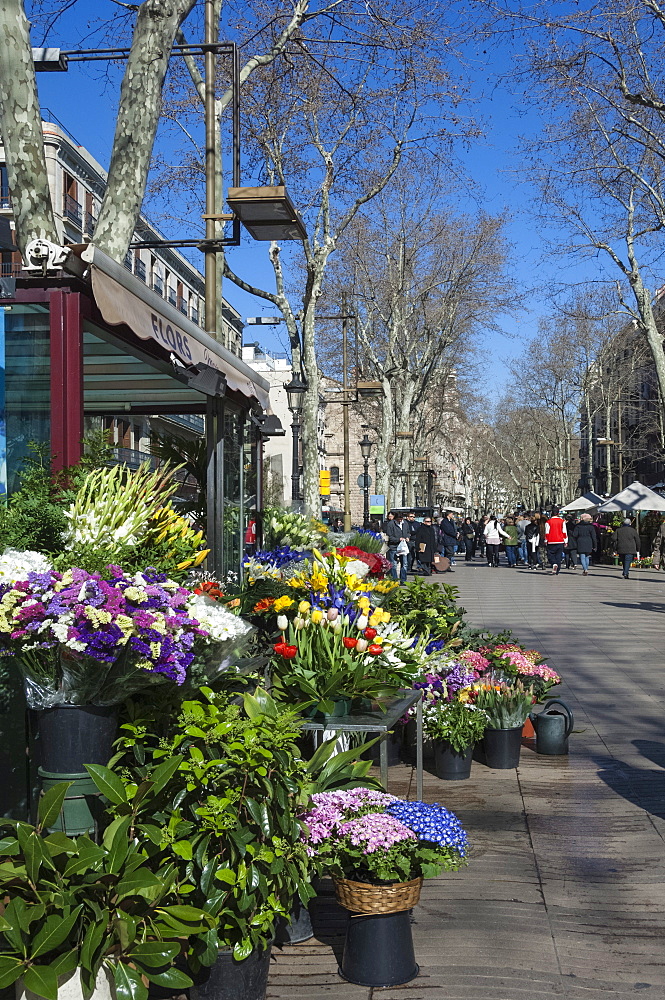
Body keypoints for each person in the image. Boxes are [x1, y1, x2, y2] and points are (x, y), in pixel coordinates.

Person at [384, 511, 410, 584]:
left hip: (403, 547)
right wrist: (398, 539)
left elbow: (408, 532)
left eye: (401, 519)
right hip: (394, 546)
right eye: (399, 519)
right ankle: (395, 580)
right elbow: (390, 536)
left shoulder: (405, 523)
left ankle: (403, 580)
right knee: (393, 564)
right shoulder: (391, 524)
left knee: (404, 564)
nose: (400, 520)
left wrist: (407, 537)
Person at [545, 507, 568, 575]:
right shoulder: (562, 521)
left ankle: (554, 564)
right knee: (558, 555)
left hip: (551, 540)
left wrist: (546, 540)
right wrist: (566, 541)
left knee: (550, 554)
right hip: (560, 540)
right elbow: (564, 531)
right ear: (558, 513)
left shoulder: (548, 522)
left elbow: (547, 532)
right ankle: (557, 569)